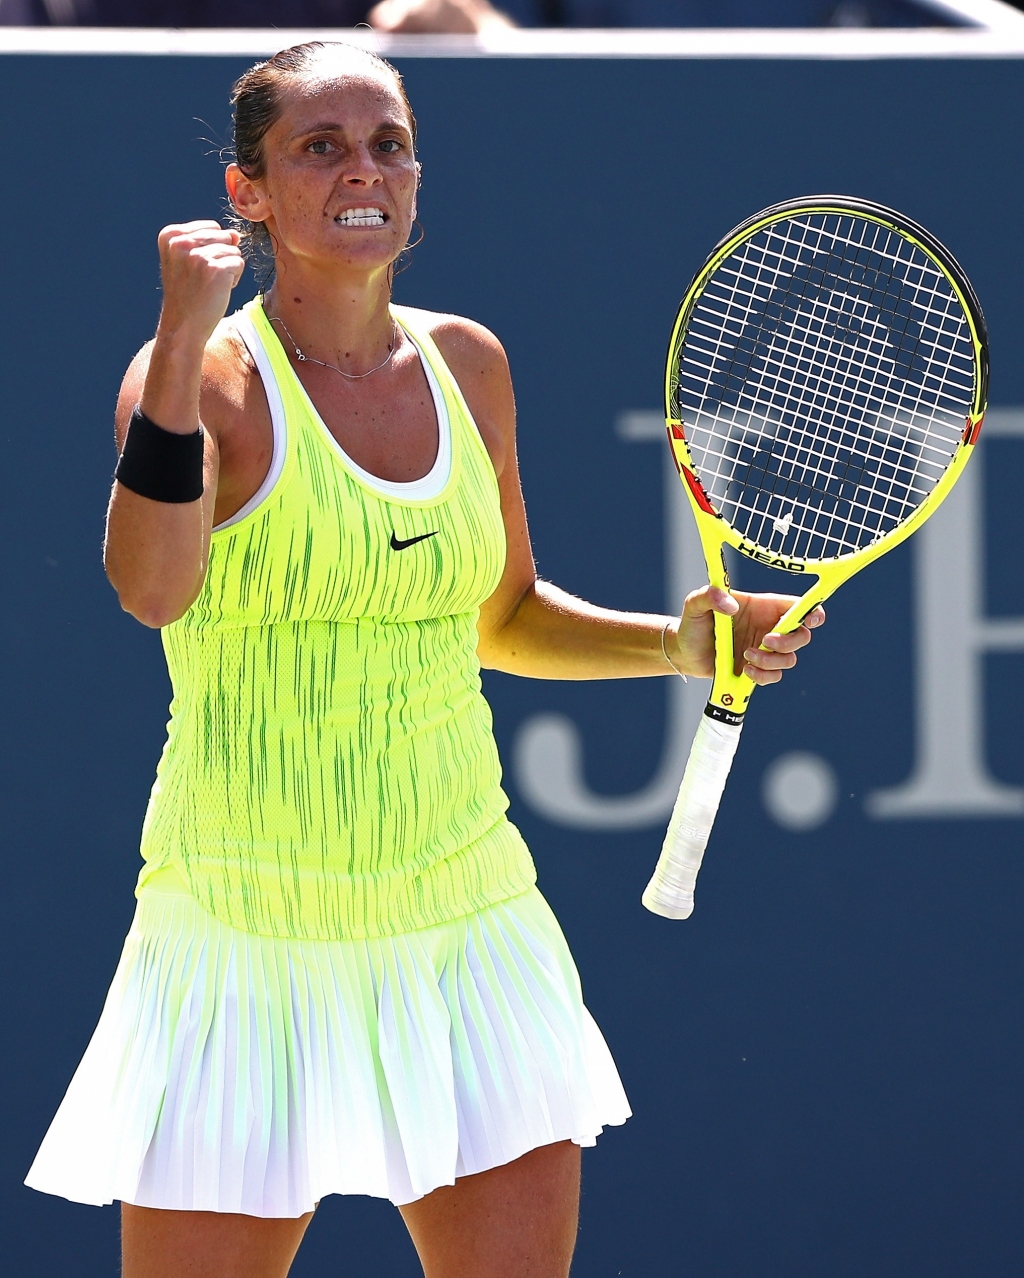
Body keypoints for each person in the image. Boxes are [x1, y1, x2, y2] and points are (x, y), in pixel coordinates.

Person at [25, 40, 824, 1278]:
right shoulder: (203, 386)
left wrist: (674, 644)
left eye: (387, 143)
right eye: (320, 147)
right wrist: (180, 339)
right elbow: (151, 590)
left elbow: (500, 618)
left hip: (464, 922)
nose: (363, 170)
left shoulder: (469, 365)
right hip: (242, 939)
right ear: (250, 193)